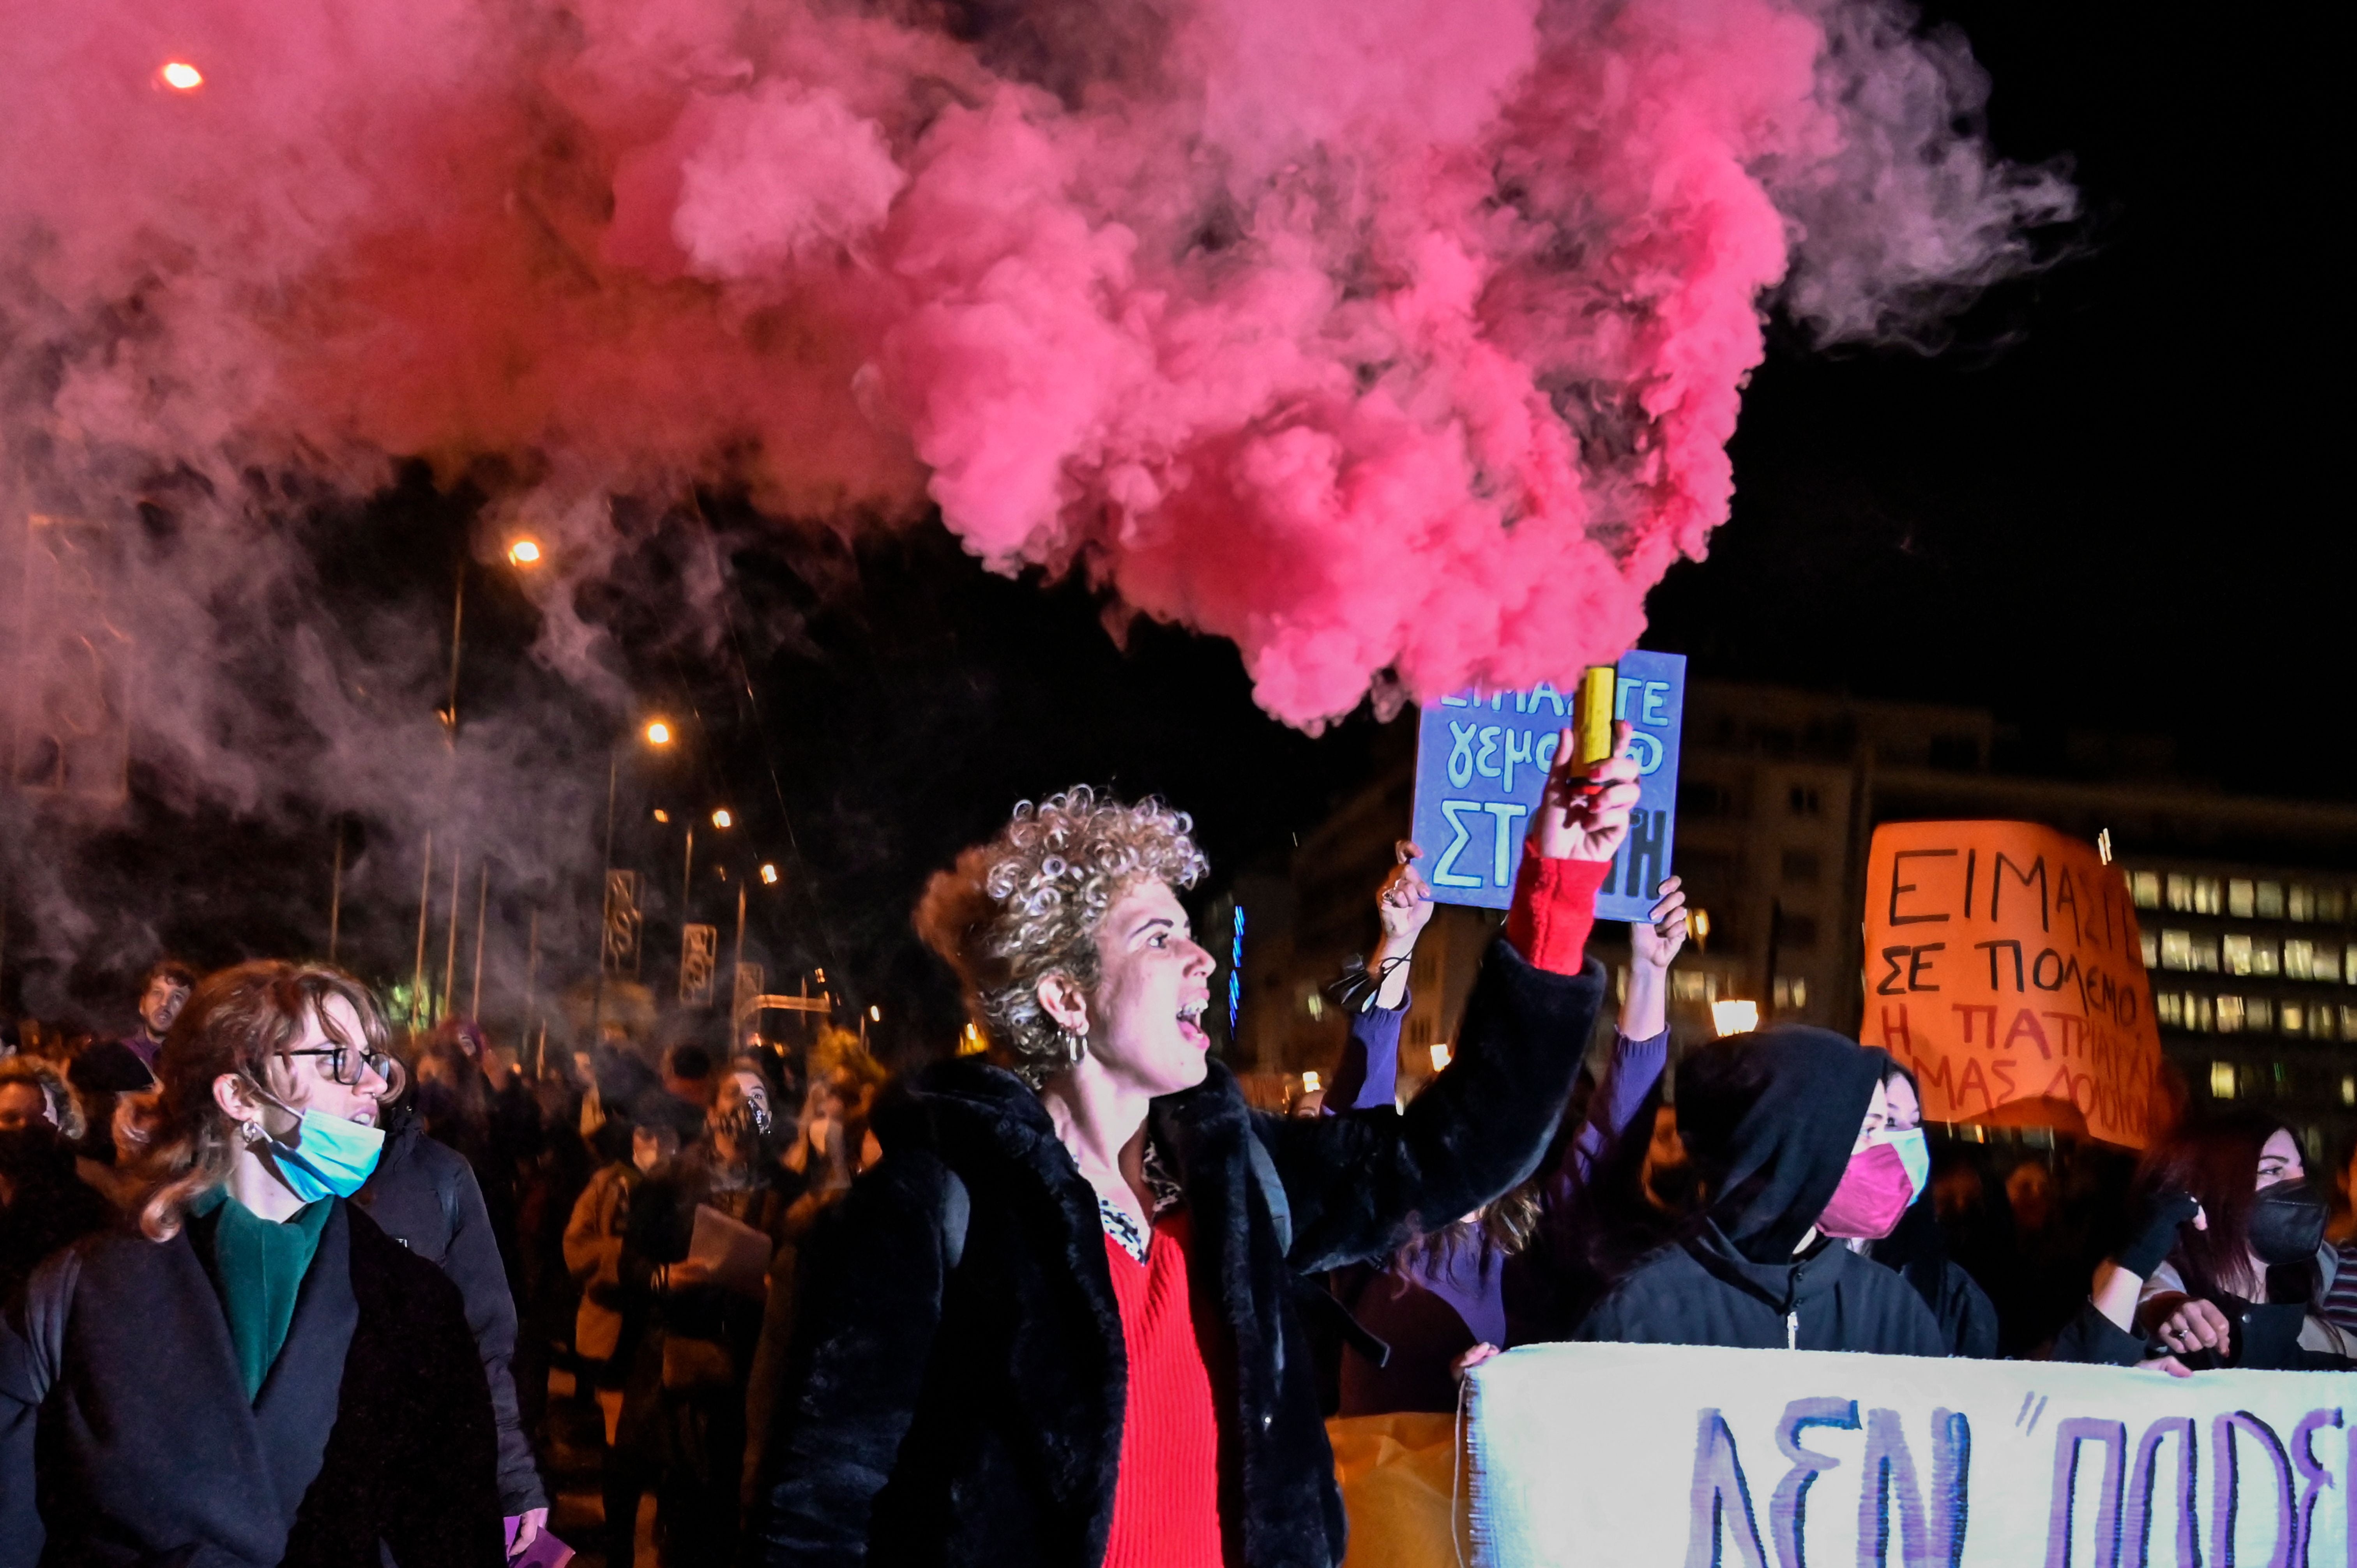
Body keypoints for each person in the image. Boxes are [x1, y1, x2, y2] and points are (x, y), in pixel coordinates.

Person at [753, 729, 1627, 1568]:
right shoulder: (933, 1207)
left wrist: (1557, 889)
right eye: (1158, 936)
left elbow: (1464, 1149)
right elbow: (817, 1512)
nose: (1203, 958)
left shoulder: (1237, 1177)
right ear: (1066, 995)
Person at [0, 960, 503, 1568]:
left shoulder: (415, 1305)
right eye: (336, 1060)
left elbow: (453, 1536)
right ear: (238, 1094)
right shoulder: (75, 1291)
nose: (374, 1085)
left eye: (374, 1059)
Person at [1325, 853, 1686, 1413]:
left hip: (1488, 1496)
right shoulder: (1387, 1210)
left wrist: (1650, 972)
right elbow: (1358, 1100)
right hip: (1376, 1492)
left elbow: (1616, 1132)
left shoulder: (1541, 1230)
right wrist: (1397, 944)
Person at [1574, 1026, 1946, 1354]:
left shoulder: (1893, 1311)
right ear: (1796, 1142)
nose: (1886, 1152)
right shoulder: (1643, 1312)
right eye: (1868, 1130)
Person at [359, 1064, 551, 1551]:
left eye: (372, 1058)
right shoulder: (270, 1186)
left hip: (411, 1481)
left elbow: (484, 1340)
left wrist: (514, 1474)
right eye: (335, 1059)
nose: (363, 1079)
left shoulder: (441, 1178)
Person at [2057, 1109, 2353, 1371]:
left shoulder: (2319, 1348)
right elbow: (2089, 1387)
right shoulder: (2166, 1339)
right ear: (2212, 1190)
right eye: (2274, 1170)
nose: (2298, 1188)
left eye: (2300, 1172)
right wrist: (2140, 1270)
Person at [1845, 1065, 1999, 1358]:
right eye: (1889, 1121)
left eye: (1914, 1124)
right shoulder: (1783, 1275)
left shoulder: (1952, 1296)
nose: (1908, 1140)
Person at [0, 1058, 114, 1306]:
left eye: (40, 1119)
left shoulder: (83, 1198)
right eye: (10, 1118)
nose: (24, 1128)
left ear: (62, 1124)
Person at [120, 959, 197, 1071]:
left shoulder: (194, 1063)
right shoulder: (120, 1054)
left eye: (177, 997)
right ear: (142, 1005)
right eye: (157, 993)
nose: (164, 1003)